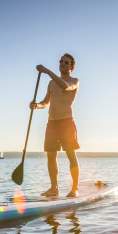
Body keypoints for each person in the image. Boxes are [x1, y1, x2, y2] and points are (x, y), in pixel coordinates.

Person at [30, 54, 80, 197]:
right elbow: (46, 103)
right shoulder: (51, 84)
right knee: (51, 156)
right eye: (61, 62)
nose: (63, 64)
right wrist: (36, 105)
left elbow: (64, 86)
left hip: (66, 122)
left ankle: (75, 189)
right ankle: (54, 188)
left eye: (66, 62)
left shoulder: (74, 81)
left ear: (72, 66)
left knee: (71, 154)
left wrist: (46, 71)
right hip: (52, 123)